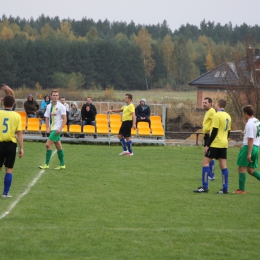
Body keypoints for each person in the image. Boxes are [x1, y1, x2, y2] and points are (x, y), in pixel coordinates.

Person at [193, 99, 231, 194]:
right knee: (223, 166)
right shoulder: (228, 116)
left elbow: (214, 131)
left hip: (216, 143)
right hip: (224, 143)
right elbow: (228, 132)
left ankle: (205, 187)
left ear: (217, 104)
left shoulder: (217, 115)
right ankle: (225, 188)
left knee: (205, 163)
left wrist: (208, 145)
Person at [233, 105, 260, 194]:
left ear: (245, 113)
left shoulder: (249, 123)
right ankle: (242, 189)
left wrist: (248, 152)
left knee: (241, 167)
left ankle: (241, 190)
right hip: (256, 147)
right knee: (250, 170)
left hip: (250, 147)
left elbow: (250, 139)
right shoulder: (257, 121)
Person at [0, 96, 24, 198]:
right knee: (9, 169)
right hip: (11, 145)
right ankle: (5, 193)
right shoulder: (17, 115)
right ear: (13, 104)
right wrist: (21, 148)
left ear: (3, 103)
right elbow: (19, 133)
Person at [38, 89, 67, 170]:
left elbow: (65, 119)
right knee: (58, 146)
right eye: (54, 95)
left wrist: (60, 128)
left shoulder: (61, 106)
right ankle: (62, 164)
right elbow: (47, 118)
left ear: (58, 96)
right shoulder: (49, 106)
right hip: (52, 129)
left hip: (57, 129)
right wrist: (47, 127)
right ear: (51, 96)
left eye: (56, 95)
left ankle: (46, 164)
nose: (55, 97)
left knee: (47, 144)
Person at [202, 97, 216, 181]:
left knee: (209, 156)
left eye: (205, 102)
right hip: (206, 136)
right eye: (203, 102)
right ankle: (210, 174)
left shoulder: (212, 112)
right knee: (209, 155)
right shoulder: (207, 112)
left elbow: (215, 123)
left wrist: (210, 131)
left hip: (210, 136)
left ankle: (211, 175)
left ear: (211, 103)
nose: (204, 104)